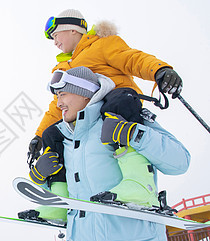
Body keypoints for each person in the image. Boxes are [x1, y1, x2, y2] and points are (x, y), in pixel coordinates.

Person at [29, 66, 190, 241]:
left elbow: (180, 161)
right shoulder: (61, 136)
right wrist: (40, 177)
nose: (58, 103)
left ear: (85, 93)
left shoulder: (122, 115)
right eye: (56, 96)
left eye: (63, 94)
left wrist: (133, 133)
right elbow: (72, 191)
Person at [28, 8, 183, 155]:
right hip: (88, 118)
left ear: (72, 29)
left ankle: (129, 157)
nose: (54, 42)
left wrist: (159, 70)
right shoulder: (63, 68)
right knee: (52, 134)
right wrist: (40, 135)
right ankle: (58, 180)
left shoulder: (101, 45)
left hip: (117, 105)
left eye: (56, 35)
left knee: (114, 103)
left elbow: (131, 59)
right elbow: (59, 104)